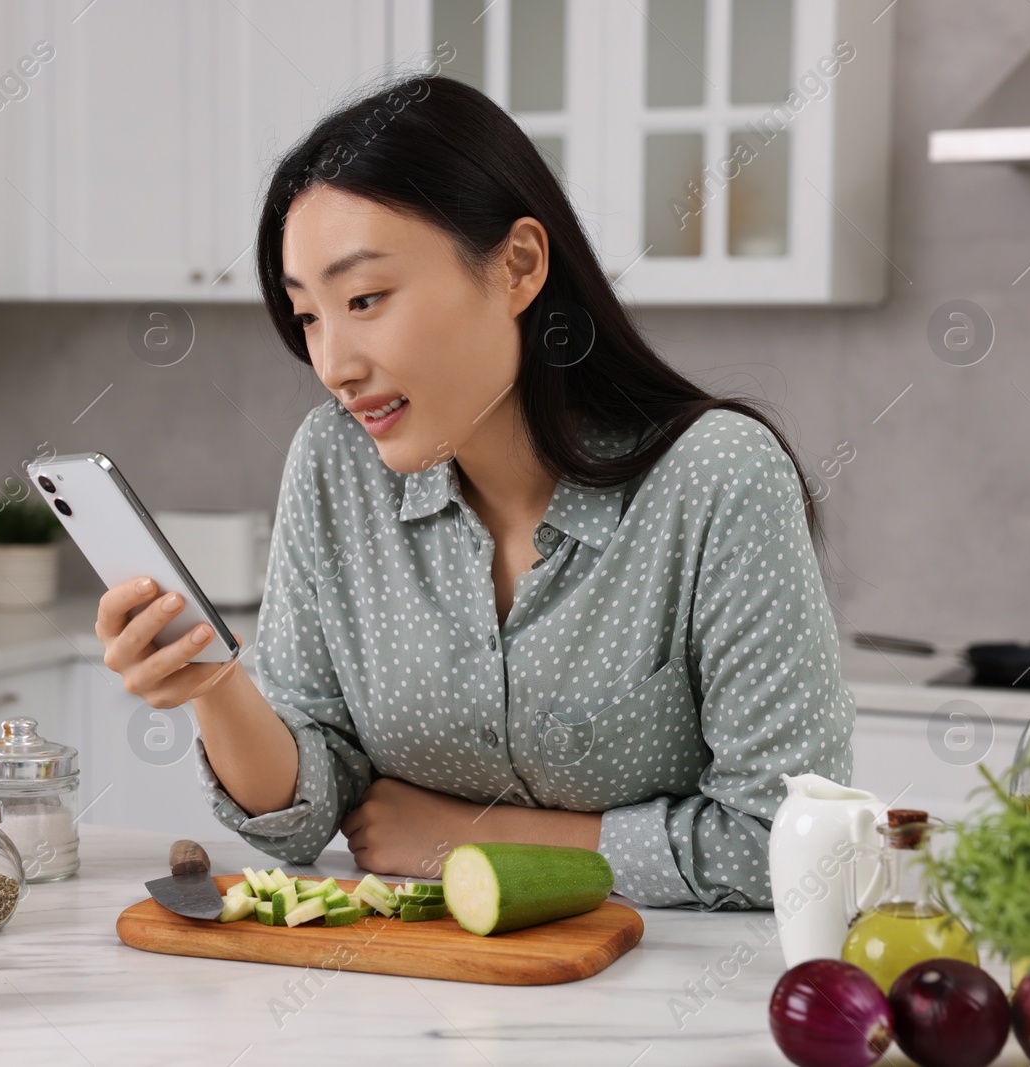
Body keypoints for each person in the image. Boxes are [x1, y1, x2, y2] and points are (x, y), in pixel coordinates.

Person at [97, 75, 854, 910]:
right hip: (416, 992)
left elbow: (790, 842)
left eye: (366, 299)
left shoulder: (715, 479)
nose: (334, 364)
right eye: (308, 314)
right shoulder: (335, 464)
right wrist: (212, 683)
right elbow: (303, 808)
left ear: (519, 266)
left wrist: (468, 836)